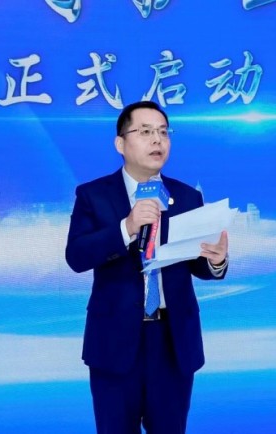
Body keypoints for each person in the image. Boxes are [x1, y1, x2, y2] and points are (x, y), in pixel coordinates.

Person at [65, 100, 229, 434]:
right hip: (114, 342)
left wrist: (216, 260)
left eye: (163, 132)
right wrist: (126, 227)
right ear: (120, 143)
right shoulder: (93, 195)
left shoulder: (187, 197)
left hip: (172, 341)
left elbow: (196, 263)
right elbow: (77, 257)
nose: (157, 140)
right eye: (145, 131)